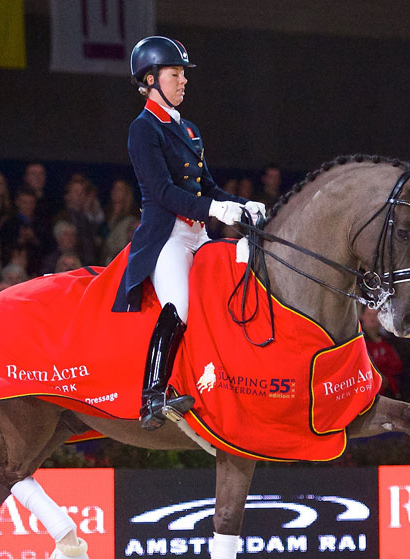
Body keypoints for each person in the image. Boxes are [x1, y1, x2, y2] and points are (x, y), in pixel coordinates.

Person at [113, 36, 262, 430]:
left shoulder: (189, 129)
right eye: (175, 74)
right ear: (150, 78)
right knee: (178, 304)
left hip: (199, 233)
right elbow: (163, 193)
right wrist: (215, 210)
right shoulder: (143, 129)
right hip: (168, 237)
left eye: (183, 74)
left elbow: (207, 187)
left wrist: (243, 204)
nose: (183, 81)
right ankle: (153, 397)